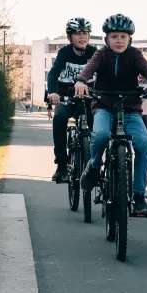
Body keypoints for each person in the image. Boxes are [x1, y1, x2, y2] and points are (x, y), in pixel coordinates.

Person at [76, 14, 147, 214]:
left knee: (143, 144)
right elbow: (89, 69)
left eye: (123, 37)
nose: (119, 40)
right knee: (99, 135)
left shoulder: (135, 55)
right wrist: (81, 81)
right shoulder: (101, 55)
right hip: (104, 107)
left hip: (130, 110)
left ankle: (139, 195)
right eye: (114, 36)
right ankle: (94, 165)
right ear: (107, 39)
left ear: (130, 39)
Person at [47, 18, 97, 183]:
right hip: (66, 96)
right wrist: (53, 92)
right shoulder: (64, 53)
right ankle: (61, 165)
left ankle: (95, 165)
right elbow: (53, 74)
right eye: (77, 34)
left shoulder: (94, 53)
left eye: (85, 33)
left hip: (89, 97)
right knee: (60, 118)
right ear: (70, 38)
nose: (82, 37)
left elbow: (103, 74)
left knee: (97, 127)